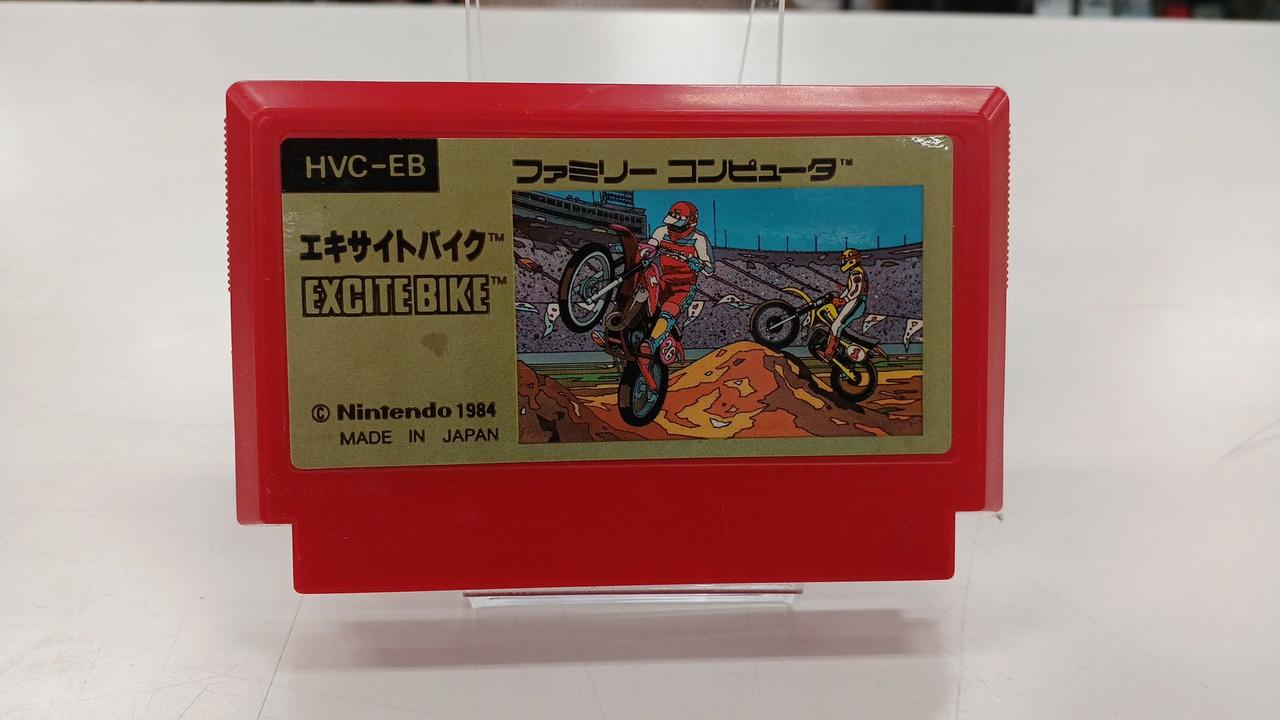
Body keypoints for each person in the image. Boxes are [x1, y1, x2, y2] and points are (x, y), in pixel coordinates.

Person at [637, 201, 713, 384]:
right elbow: (650, 246)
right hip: (663, 280)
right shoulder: (661, 231)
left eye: (678, 225)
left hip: (684, 287)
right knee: (642, 295)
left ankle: (650, 344)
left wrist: (698, 264)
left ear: (690, 223)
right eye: (672, 222)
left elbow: (710, 268)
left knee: (668, 312)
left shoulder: (699, 239)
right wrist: (646, 253)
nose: (673, 228)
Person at [817, 248, 869, 362]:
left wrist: (843, 300)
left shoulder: (856, 272)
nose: (843, 263)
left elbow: (855, 290)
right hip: (855, 301)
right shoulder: (854, 271)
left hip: (856, 302)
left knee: (836, 326)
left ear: (852, 260)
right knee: (836, 325)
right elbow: (849, 289)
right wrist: (840, 299)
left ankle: (828, 355)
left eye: (844, 260)